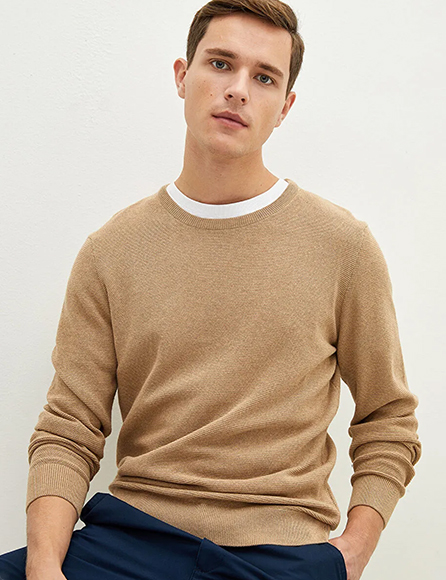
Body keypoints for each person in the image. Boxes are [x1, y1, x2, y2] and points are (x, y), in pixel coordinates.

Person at [0, 1, 421, 579]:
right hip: (135, 538)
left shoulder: (342, 246)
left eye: (264, 77)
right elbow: (69, 427)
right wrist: (45, 567)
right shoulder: (111, 251)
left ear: (285, 107)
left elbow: (387, 417)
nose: (238, 90)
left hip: (279, 552)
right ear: (182, 75)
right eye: (221, 64)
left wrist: (350, 555)